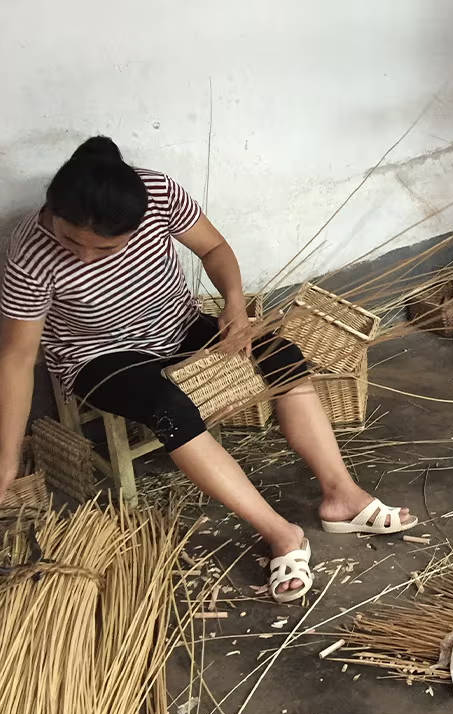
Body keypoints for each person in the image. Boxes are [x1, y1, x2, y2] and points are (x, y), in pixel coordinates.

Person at [0, 136, 417, 602]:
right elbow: (17, 357)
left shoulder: (158, 195)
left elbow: (215, 248)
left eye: (104, 249)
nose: (83, 256)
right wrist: (9, 455)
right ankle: (281, 533)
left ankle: (341, 494)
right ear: (52, 209)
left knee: (281, 354)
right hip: (98, 357)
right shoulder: (29, 251)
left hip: (175, 324)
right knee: (168, 406)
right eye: (71, 240)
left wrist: (235, 309)